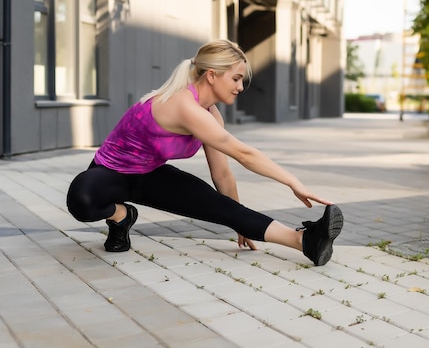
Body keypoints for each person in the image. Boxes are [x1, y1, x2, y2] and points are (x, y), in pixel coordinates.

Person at [66, 39, 343, 266]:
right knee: (82, 198)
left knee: (222, 207)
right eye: (236, 78)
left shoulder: (210, 114)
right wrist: (294, 182)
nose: (240, 87)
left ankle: (305, 240)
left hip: (151, 176)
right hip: (110, 173)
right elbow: (244, 154)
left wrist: (239, 220)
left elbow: (222, 173)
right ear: (212, 75)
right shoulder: (182, 105)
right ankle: (121, 216)